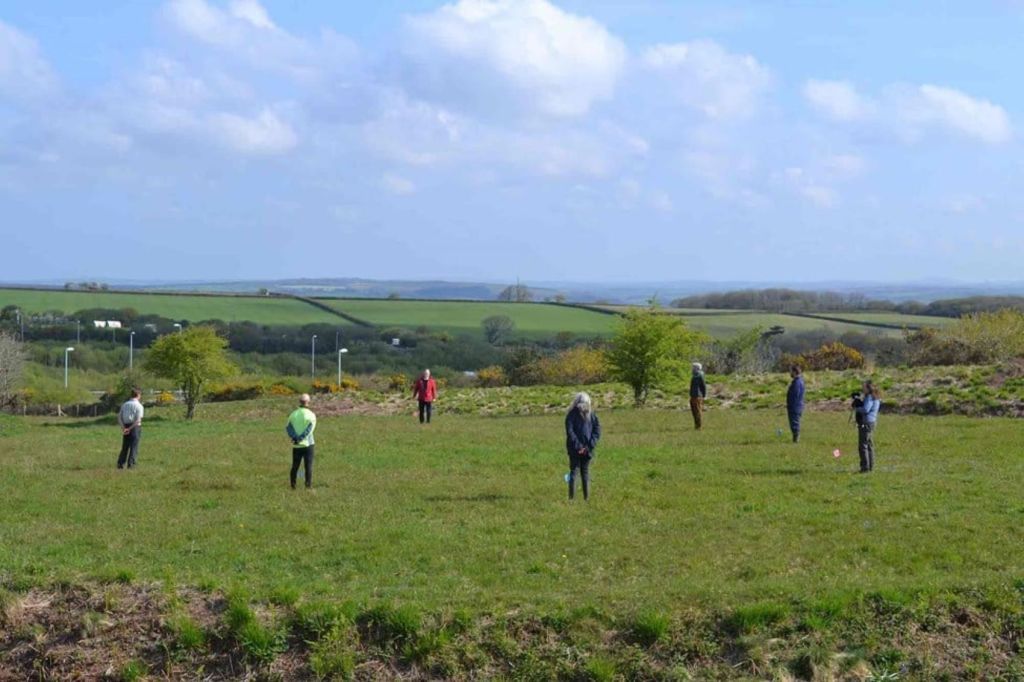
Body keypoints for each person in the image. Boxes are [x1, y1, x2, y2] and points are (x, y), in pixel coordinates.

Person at [565, 392, 601, 501]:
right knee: (576, 473)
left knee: (583, 473)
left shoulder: (591, 415)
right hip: (576, 450)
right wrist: (580, 447)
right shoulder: (572, 415)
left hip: (584, 449)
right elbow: (570, 432)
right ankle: (574, 499)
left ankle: (584, 499)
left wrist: (587, 447)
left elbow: (597, 431)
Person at [286, 393, 317, 489]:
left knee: (295, 466)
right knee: (308, 467)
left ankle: (293, 486)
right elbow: (309, 429)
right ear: (308, 402)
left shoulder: (293, 414)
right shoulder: (311, 415)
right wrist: (301, 438)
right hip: (308, 445)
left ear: (299, 402)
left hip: (296, 445)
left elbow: (288, 427)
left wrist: (295, 438)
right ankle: (308, 486)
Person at [854, 381, 881, 473]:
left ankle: (865, 467)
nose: (862, 389)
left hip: (866, 422)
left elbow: (866, 409)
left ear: (869, 388)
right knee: (869, 445)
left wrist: (857, 408)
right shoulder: (875, 397)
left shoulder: (869, 397)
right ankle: (870, 466)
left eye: (864, 387)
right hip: (872, 422)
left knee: (863, 445)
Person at [116, 388, 144, 469]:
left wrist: (124, 428)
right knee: (134, 446)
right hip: (135, 427)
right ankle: (131, 464)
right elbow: (138, 420)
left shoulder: (125, 405)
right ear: (138, 395)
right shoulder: (139, 406)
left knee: (125, 446)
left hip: (125, 425)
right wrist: (130, 428)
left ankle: (121, 463)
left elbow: (119, 417)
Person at [786, 365, 805, 443]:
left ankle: (796, 438)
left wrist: (791, 405)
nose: (790, 373)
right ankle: (795, 437)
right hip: (798, 405)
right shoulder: (800, 381)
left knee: (794, 422)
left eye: (791, 371)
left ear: (794, 372)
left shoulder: (796, 383)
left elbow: (795, 395)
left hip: (795, 406)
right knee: (795, 421)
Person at [689, 362, 707, 430]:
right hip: (693, 396)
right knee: (694, 412)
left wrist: (703, 395)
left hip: (697, 396)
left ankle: (699, 426)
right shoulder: (694, 376)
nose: (692, 369)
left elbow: (703, 386)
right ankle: (696, 425)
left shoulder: (699, 375)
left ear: (697, 368)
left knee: (697, 411)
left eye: (693, 367)